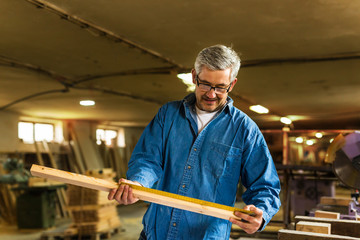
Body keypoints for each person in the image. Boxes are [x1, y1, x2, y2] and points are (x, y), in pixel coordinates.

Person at [108, 44, 281, 239]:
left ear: (232, 85)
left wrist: (260, 213)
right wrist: (138, 183)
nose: (211, 94)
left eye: (220, 87)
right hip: (156, 233)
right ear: (194, 77)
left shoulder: (245, 129)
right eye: (205, 84)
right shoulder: (168, 114)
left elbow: (265, 185)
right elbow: (148, 159)